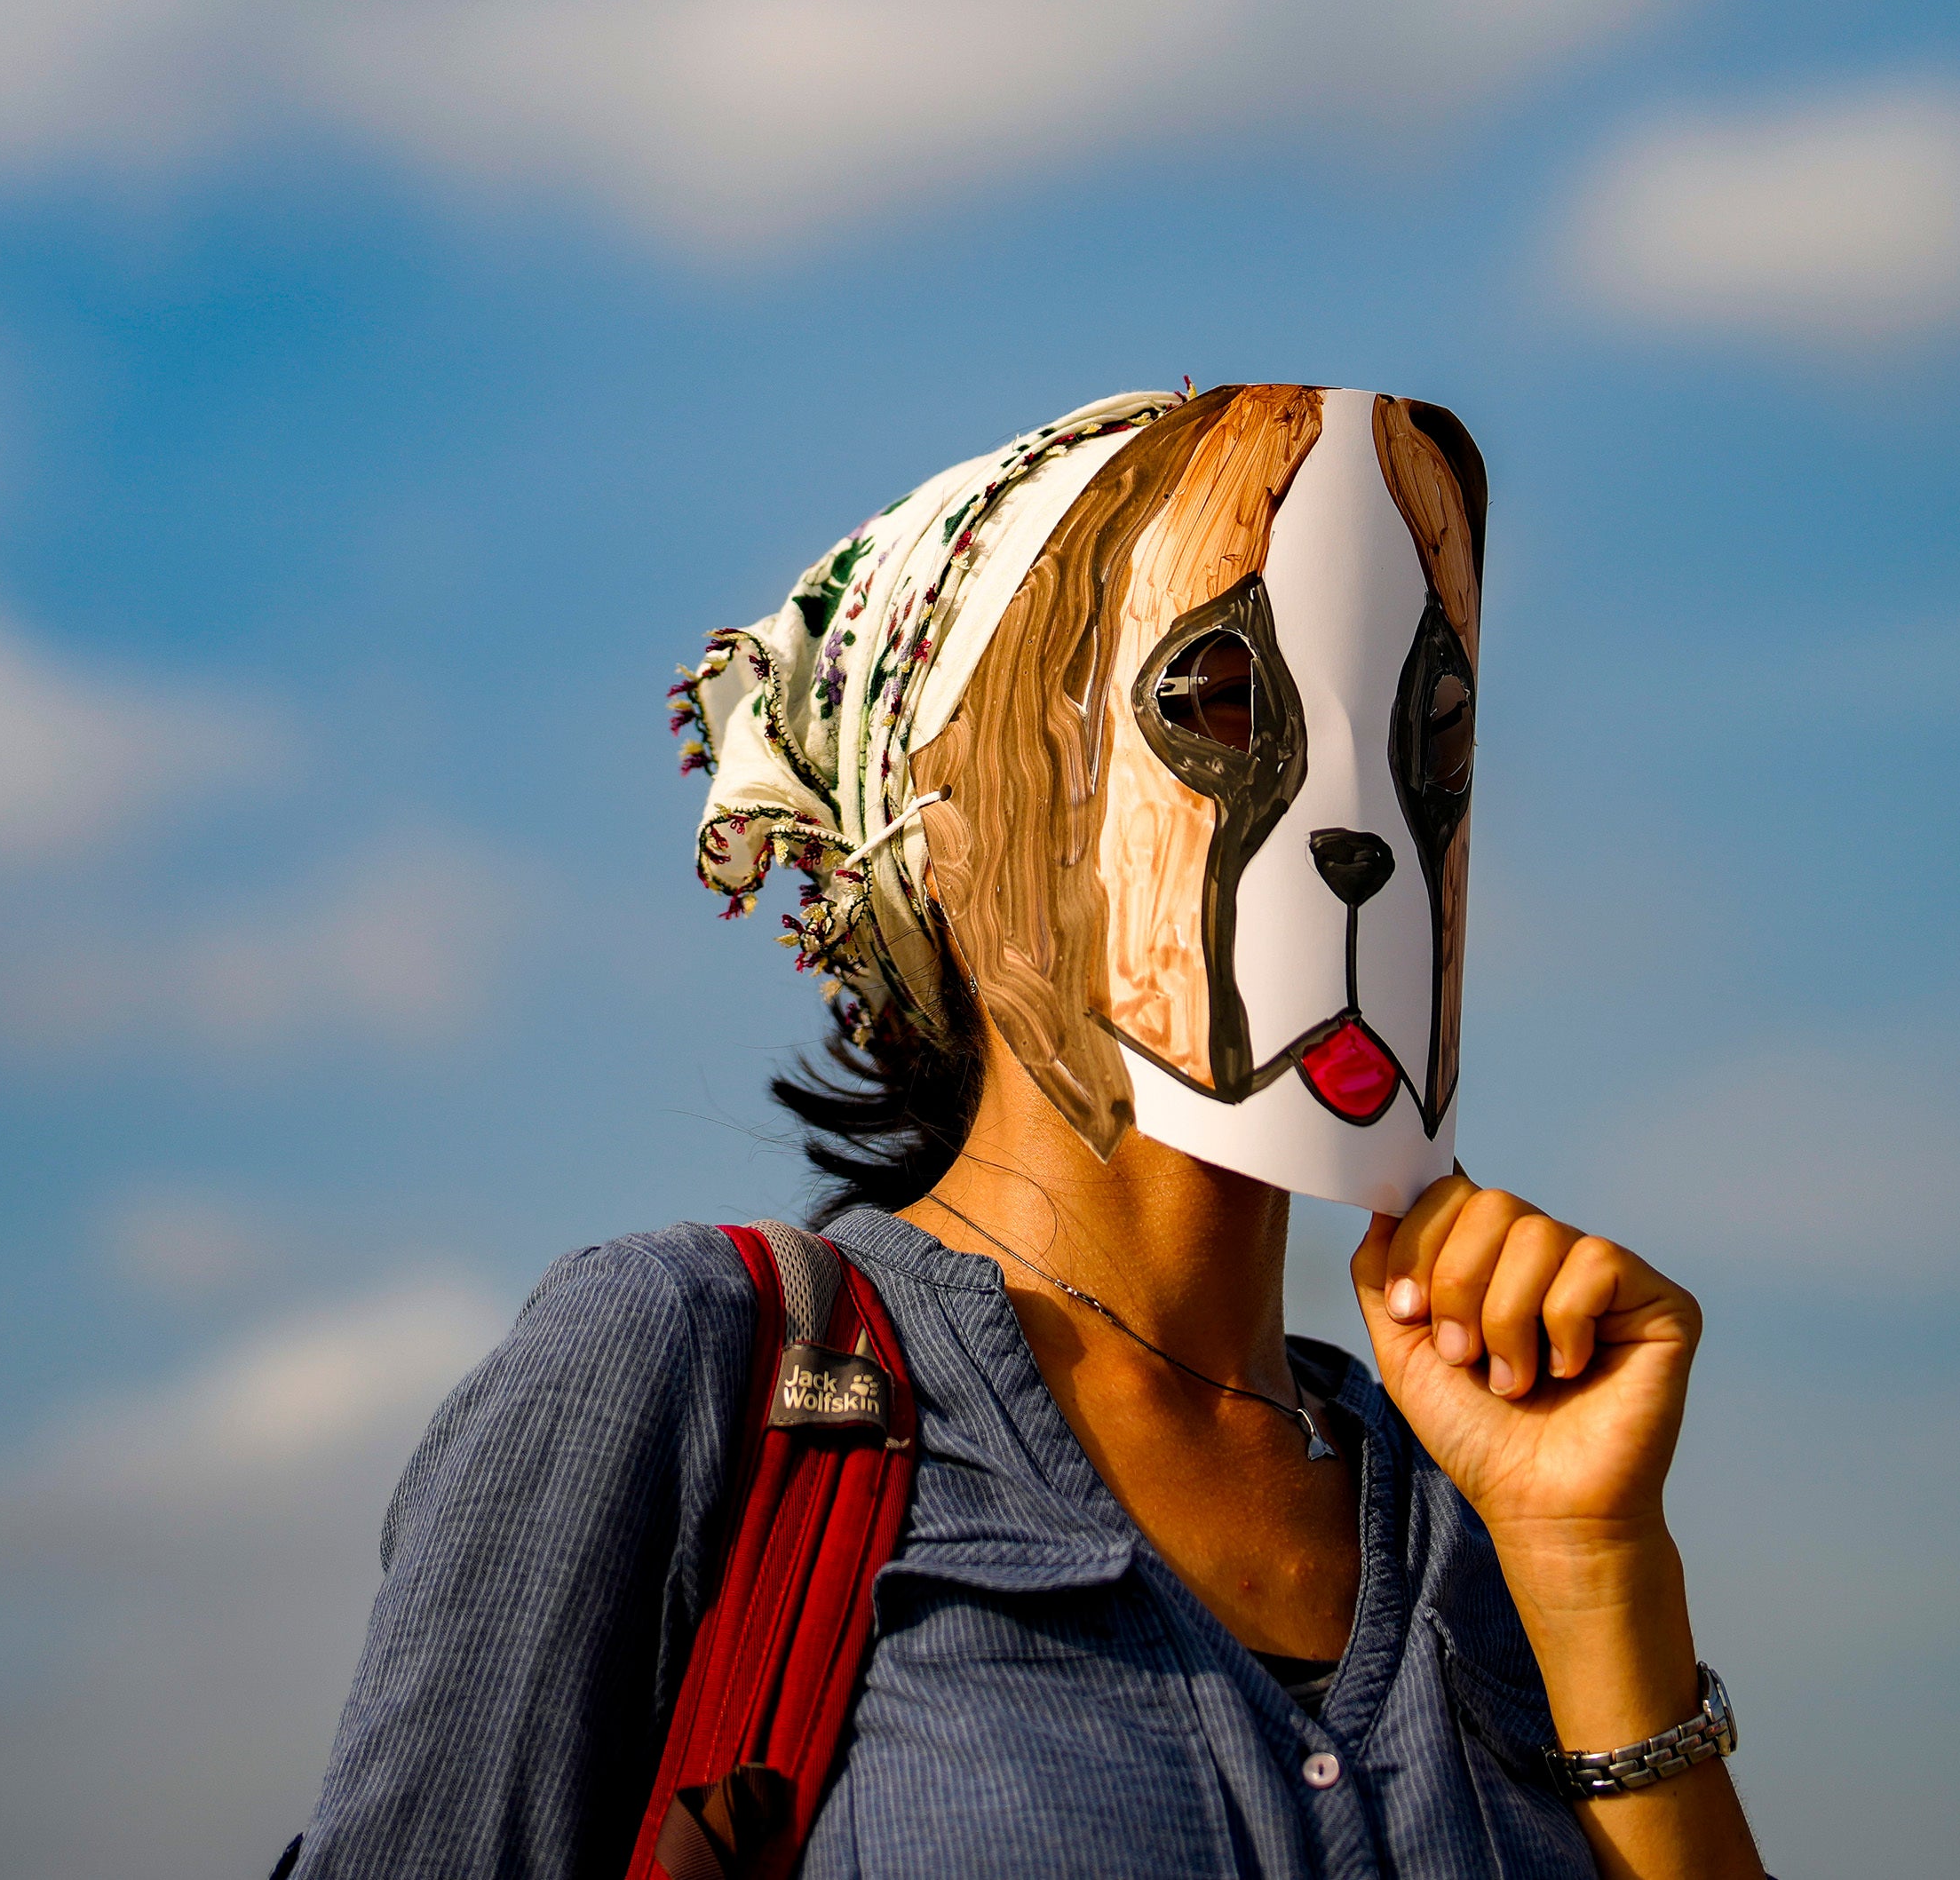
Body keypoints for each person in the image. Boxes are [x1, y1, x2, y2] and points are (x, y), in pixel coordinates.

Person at [290, 387, 1766, 1880]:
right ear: (965, 821)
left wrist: (1593, 1565)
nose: (1364, 824)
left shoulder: (1472, 1503)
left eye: (1430, 729)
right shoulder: (691, 1369)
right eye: (1221, 699)